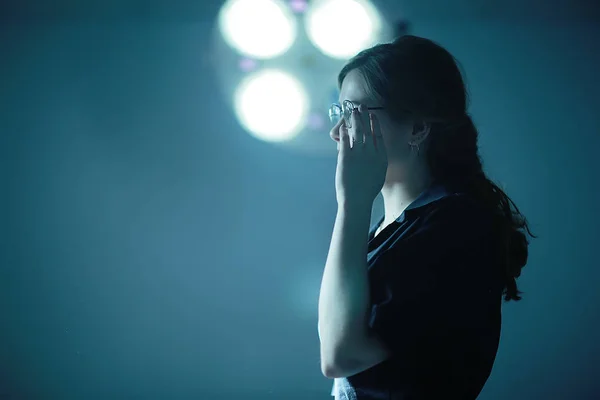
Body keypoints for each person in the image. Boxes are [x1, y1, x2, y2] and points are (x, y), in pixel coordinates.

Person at [317, 35, 534, 400]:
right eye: (339, 112)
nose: (337, 133)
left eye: (353, 113)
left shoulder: (456, 228)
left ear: (417, 128)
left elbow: (340, 355)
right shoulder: (387, 232)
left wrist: (352, 204)